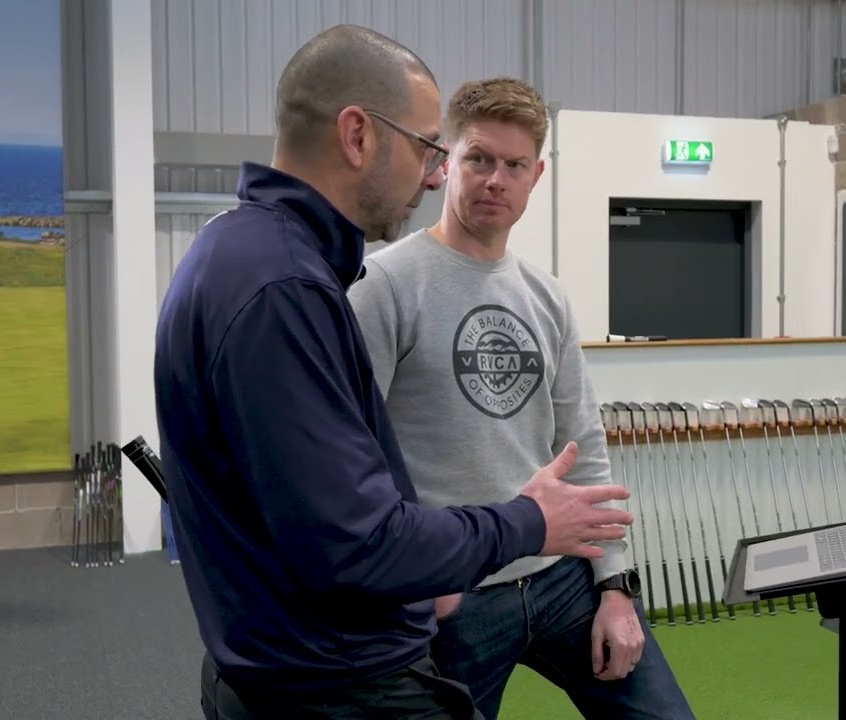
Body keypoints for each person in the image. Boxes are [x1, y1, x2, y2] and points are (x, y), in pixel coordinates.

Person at [152, 27, 636, 719]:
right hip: (336, 683)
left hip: (325, 654)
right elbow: (358, 544)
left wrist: (604, 577)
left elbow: (327, 502)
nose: (434, 174)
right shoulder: (287, 290)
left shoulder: (247, 257)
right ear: (357, 136)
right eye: (429, 148)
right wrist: (523, 522)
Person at [347, 76, 696, 719]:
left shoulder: (548, 297)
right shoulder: (383, 286)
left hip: (561, 576)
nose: (494, 180)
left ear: (537, 176)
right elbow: (352, 456)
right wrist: (413, 584)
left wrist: (615, 587)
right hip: (457, 591)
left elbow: (585, 451)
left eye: (513, 166)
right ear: (447, 160)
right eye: (478, 159)